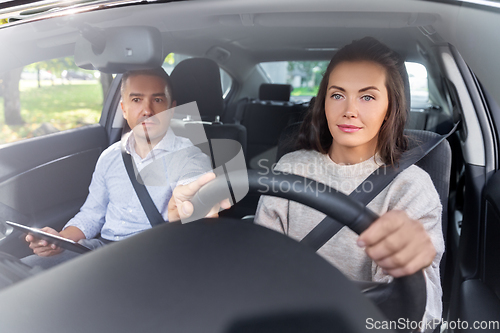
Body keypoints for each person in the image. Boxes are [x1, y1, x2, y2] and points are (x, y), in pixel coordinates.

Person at [253, 37, 444, 329]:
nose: (349, 110)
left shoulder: (410, 187)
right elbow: (262, 266)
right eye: (337, 95)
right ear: (323, 101)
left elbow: (423, 317)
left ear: (390, 107)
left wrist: (411, 273)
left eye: (367, 97)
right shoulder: (290, 167)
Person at [22, 67, 214, 269]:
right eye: (136, 100)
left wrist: (187, 215)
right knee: (21, 273)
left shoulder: (190, 157)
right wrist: (59, 240)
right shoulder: (110, 156)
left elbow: (193, 203)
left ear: (171, 109)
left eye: (157, 100)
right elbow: (92, 214)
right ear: (123, 108)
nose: (147, 110)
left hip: (156, 255)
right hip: (101, 250)